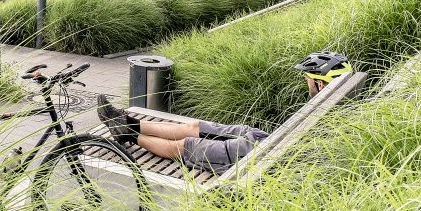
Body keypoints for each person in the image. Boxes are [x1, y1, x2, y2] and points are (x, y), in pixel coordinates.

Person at [97, 52, 353, 175]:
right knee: (196, 126)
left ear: (320, 84)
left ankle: (127, 134)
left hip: (260, 158)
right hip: (267, 141)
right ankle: (128, 120)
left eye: (307, 79)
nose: (305, 83)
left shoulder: (327, 113)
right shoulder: (333, 105)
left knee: (185, 145)